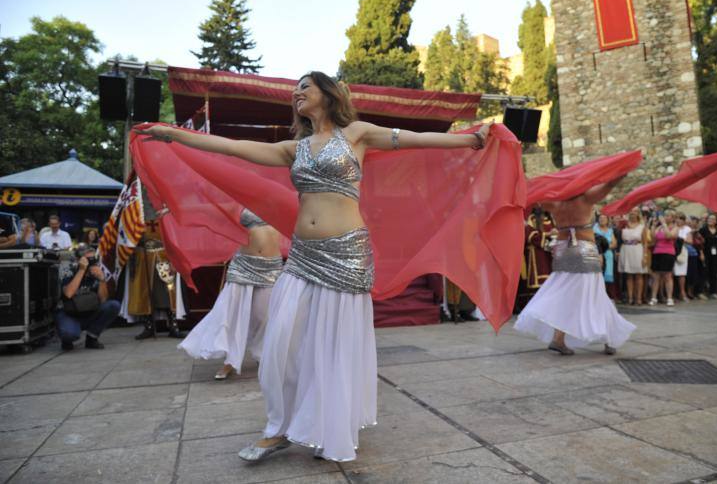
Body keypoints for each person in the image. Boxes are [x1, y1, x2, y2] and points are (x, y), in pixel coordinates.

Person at [137, 71, 490, 463]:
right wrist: (173, 135)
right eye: (294, 90)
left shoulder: (356, 134)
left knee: (334, 347)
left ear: (328, 93)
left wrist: (470, 139)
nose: (296, 94)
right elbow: (232, 147)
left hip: (347, 254)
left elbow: (417, 140)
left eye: (304, 88)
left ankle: (328, 428)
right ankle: (278, 429)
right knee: (279, 343)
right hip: (303, 256)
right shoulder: (294, 148)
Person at [514, 176, 635, 356]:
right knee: (594, 294)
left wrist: (523, 179)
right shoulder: (585, 199)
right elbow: (609, 183)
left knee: (568, 293)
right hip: (583, 251)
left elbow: (531, 196)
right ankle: (607, 338)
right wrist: (622, 171)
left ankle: (560, 338)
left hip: (562, 250)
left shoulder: (554, 204)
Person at [178, 209, 283, 380]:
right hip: (244, 267)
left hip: (271, 268)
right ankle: (230, 360)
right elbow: (211, 213)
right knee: (231, 313)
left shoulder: (275, 194)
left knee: (263, 316)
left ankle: (261, 354)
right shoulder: (236, 193)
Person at [56, 245, 121, 350]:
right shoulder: (68, 269)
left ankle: (92, 337)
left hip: (89, 312)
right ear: (78, 260)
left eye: (93, 259)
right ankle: (67, 339)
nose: (91, 262)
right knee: (69, 334)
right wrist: (81, 270)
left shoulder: (96, 271)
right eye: (88, 259)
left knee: (114, 305)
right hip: (70, 313)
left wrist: (102, 279)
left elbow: (103, 300)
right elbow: (68, 293)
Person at [648, 210, 678, 306]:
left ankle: (669, 298)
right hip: (657, 252)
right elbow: (653, 238)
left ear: (673, 218)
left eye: (668, 215)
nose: (666, 217)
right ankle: (654, 298)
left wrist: (664, 225)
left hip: (668, 253)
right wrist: (653, 226)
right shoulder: (660, 227)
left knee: (667, 276)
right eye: (665, 215)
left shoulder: (675, 227)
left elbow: (669, 236)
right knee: (656, 276)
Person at [618, 209, 647, 305]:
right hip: (626, 249)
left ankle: (638, 298)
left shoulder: (642, 227)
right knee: (629, 275)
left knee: (638, 275)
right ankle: (630, 298)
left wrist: (645, 256)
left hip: (637, 250)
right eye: (631, 212)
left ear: (638, 214)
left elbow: (645, 243)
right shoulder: (624, 225)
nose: (633, 214)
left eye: (635, 213)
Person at [700, 213, 717, 299]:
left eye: (713, 219)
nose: (711, 220)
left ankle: (713, 292)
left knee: (714, 273)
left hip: (715, 254)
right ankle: (701, 292)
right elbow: (699, 243)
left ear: (716, 221)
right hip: (705, 253)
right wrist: (701, 253)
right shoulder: (702, 230)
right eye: (709, 218)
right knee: (704, 272)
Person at [593, 214, 616, 298]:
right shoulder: (594, 229)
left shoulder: (610, 230)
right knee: (597, 275)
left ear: (607, 220)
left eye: (604, 218)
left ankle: (605, 296)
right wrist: (602, 248)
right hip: (596, 254)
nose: (602, 219)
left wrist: (603, 247)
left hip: (608, 254)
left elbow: (614, 243)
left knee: (607, 275)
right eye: (600, 218)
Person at [673, 212, 692, 302]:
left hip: (682, 250)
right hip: (670, 249)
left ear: (684, 221)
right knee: (670, 272)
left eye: (681, 218)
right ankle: (672, 294)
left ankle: (682, 292)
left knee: (681, 273)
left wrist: (679, 239)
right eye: (677, 218)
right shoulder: (672, 227)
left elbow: (690, 241)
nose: (678, 220)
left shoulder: (687, 229)